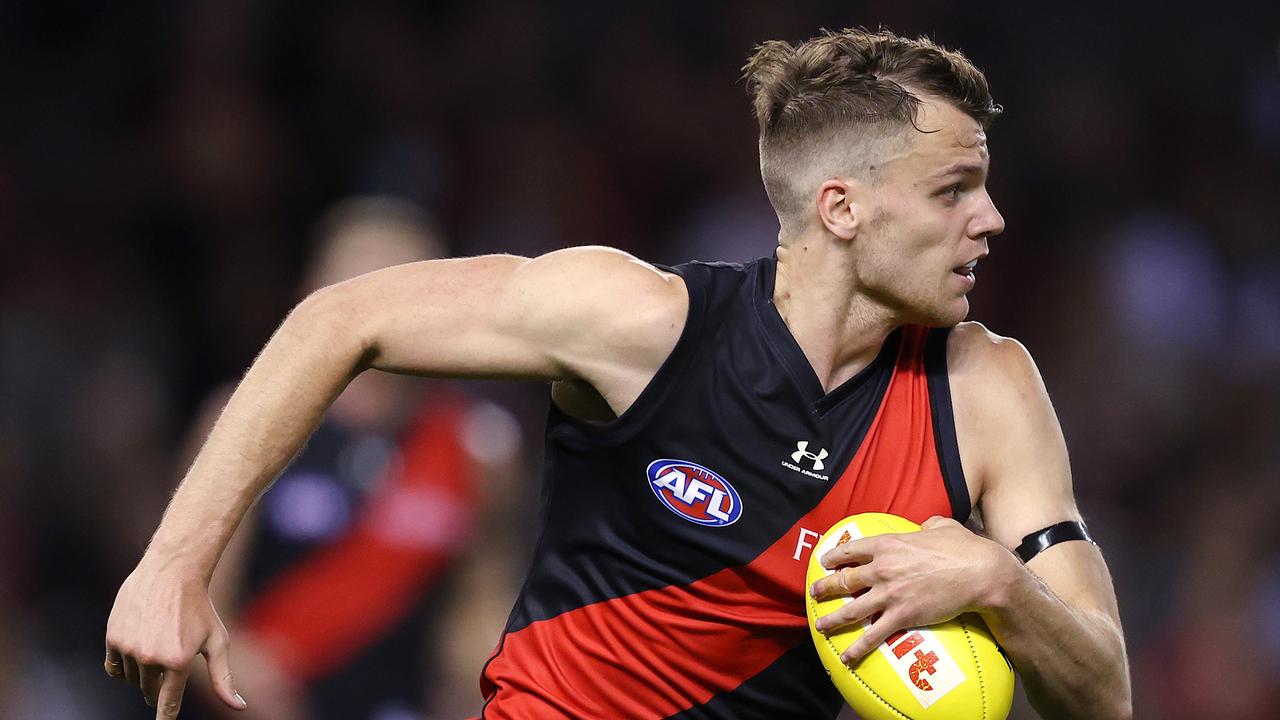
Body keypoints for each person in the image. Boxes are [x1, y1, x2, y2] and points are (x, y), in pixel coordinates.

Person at [105, 28, 1132, 719]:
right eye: (952, 191)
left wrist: (998, 583)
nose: (988, 220)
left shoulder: (988, 389)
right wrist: (172, 566)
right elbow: (342, 317)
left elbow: (1103, 692)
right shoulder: (640, 325)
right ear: (840, 209)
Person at [178, 197, 522, 720]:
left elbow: (479, 606)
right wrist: (241, 678)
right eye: (356, 289)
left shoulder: (477, 445)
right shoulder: (243, 421)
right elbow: (190, 598)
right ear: (310, 298)